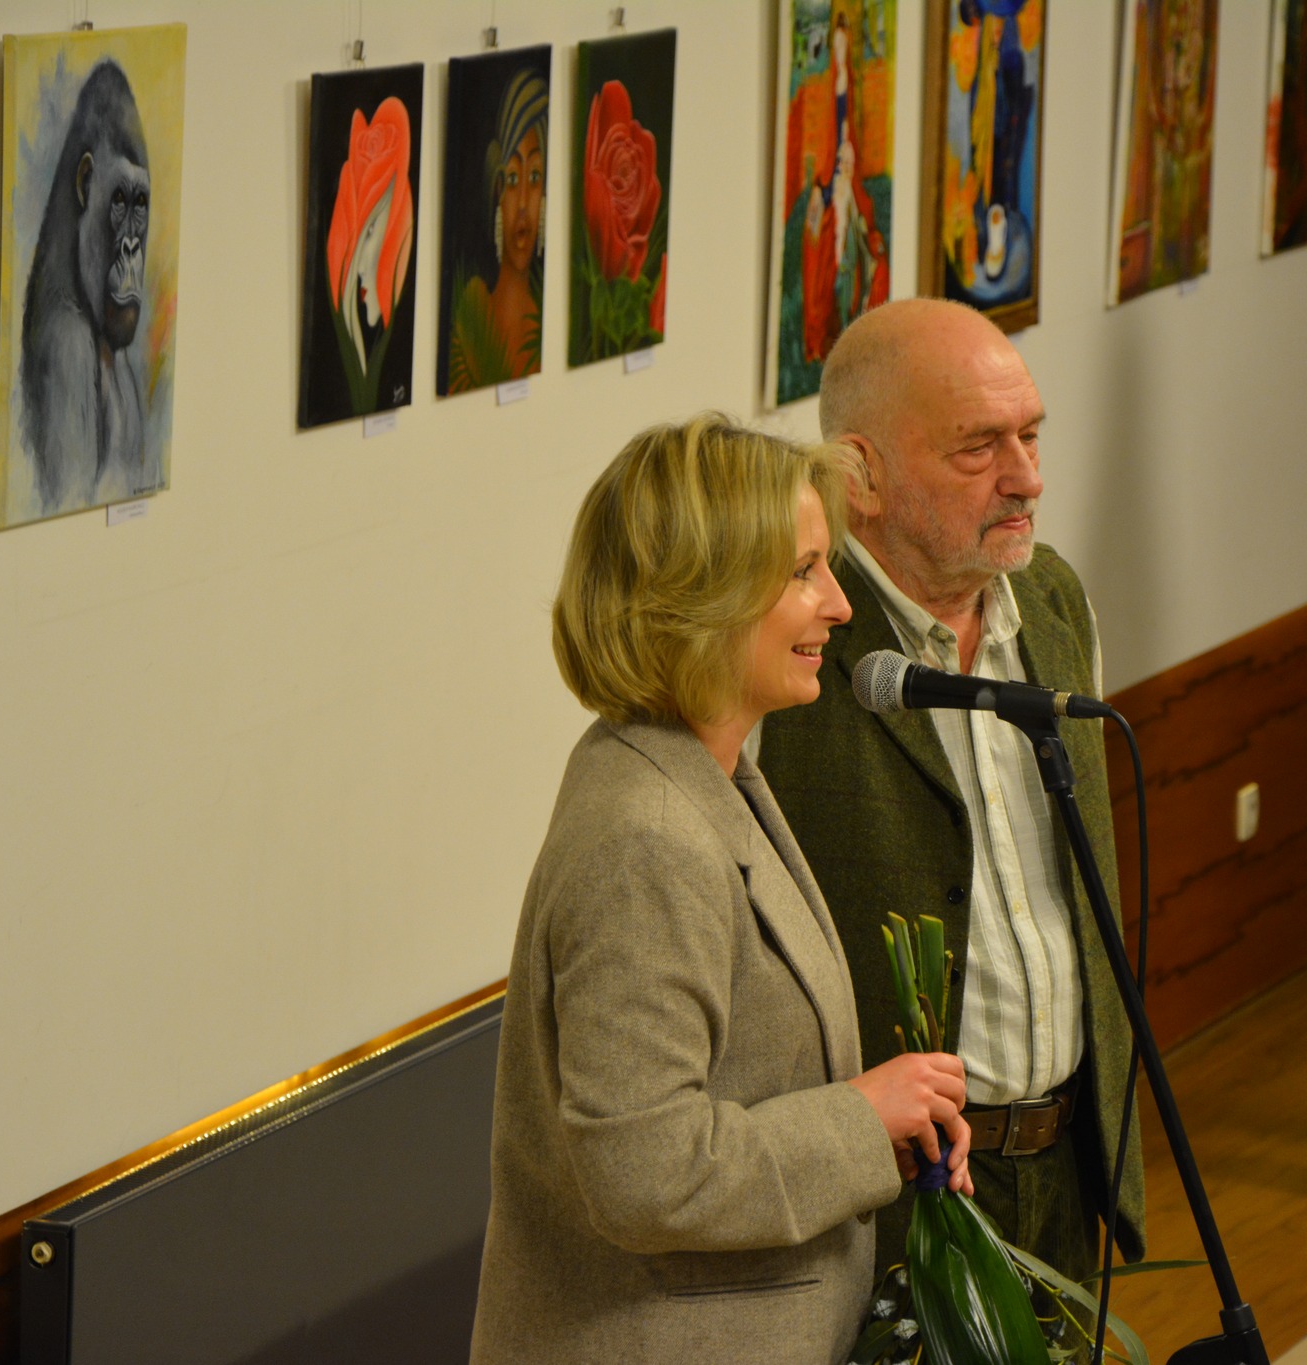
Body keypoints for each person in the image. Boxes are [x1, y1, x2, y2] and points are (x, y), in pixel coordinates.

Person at [470, 415, 974, 1363]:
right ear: (699, 597)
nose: (839, 605)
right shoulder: (648, 837)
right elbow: (645, 1170)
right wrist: (861, 1119)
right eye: (803, 572)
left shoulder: (702, 771)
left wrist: (886, 1134)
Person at [755, 298, 1145, 1282]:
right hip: (889, 1196)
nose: (1026, 477)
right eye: (978, 447)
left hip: (1068, 1165)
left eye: (1029, 435)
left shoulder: (1053, 601)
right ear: (861, 478)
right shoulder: (786, 646)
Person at [447, 69, 545, 391]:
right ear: (497, 190)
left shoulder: (543, 321)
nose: (523, 204)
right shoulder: (475, 307)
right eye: (513, 179)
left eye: (535, 177)